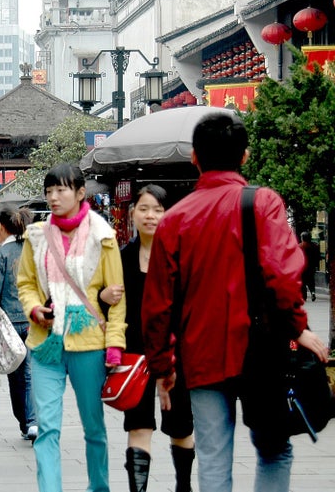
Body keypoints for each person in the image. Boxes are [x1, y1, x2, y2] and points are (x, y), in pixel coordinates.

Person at [141, 113, 330, 492]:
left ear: (195, 158)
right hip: (263, 354)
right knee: (274, 451)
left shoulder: (175, 220)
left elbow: (158, 305)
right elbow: (282, 275)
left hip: (201, 354)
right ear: (245, 156)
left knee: (213, 459)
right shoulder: (263, 203)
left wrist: (163, 366)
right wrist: (300, 329)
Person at [17, 164, 126, 492]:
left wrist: (115, 344)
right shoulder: (36, 235)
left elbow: (117, 295)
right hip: (45, 343)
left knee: (94, 428)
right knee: (47, 429)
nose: (53, 197)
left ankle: (99, 487)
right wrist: (34, 308)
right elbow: (25, 283)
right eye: (49, 191)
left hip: (89, 342)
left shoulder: (102, 235)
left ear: (80, 193)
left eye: (61, 190)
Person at [100, 185, 194, 492]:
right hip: (134, 355)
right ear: (132, 214)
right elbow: (99, 298)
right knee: (139, 425)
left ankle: (183, 486)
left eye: (157, 209)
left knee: (180, 425)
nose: (150, 216)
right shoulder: (121, 257)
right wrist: (103, 295)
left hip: (175, 353)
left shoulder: (180, 257)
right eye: (144, 209)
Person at [0, 206, 38, 442]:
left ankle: (27, 421)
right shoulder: (31, 249)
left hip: (9, 322)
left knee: (16, 374)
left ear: (0, 227)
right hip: (32, 318)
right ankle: (31, 421)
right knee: (30, 372)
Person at [299, 231, 320, 302]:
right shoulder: (315, 246)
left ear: (303, 238)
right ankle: (313, 293)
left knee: (303, 282)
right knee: (311, 281)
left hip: (302, 268)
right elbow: (318, 257)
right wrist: (316, 265)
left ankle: (304, 297)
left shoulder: (300, 246)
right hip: (311, 267)